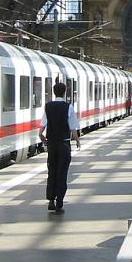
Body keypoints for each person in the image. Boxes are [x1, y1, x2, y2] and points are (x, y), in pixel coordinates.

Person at [39, 82, 79, 213]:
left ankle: (51, 199)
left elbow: (43, 124)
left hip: (51, 144)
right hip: (64, 143)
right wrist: (77, 140)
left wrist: (41, 135)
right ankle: (59, 202)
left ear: (54, 92)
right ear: (65, 92)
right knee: (62, 171)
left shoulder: (48, 106)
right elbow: (72, 127)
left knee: (52, 170)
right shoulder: (69, 107)